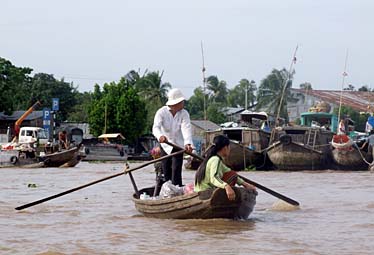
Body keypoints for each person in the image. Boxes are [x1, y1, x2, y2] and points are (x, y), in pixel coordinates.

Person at [194, 135, 256, 201]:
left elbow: (229, 172)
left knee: (232, 174)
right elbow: (214, 178)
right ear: (225, 148)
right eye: (229, 147)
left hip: (202, 190)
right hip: (206, 192)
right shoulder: (215, 160)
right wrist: (226, 186)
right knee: (232, 175)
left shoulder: (214, 159)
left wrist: (245, 184)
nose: (229, 150)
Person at [152, 88, 194, 186]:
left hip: (178, 146)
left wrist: (188, 143)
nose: (183, 103)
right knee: (165, 170)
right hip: (165, 145)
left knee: (176, 170)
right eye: (181, 101)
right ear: (176, 103)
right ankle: (167, 190)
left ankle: (177, 190)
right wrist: (160, 136)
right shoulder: (161, 112)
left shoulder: (184, 113)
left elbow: (186, 129)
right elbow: (155, 128)